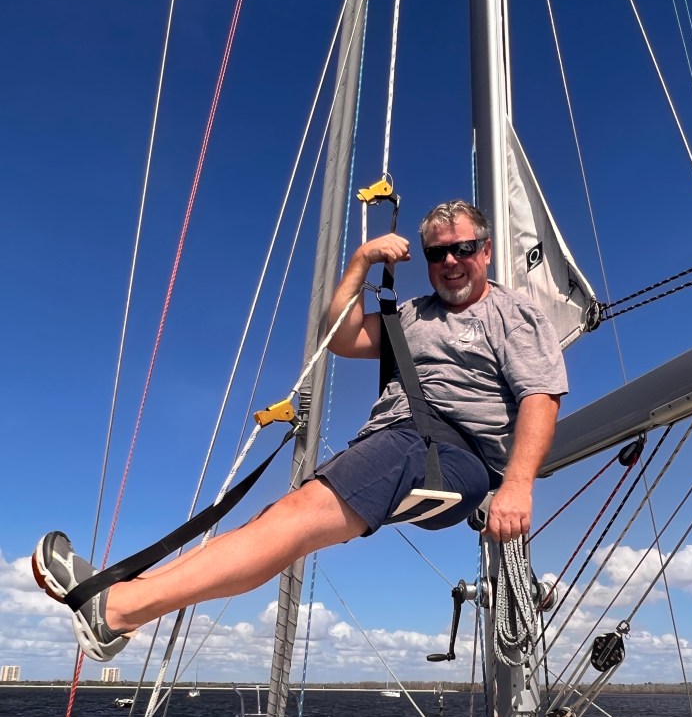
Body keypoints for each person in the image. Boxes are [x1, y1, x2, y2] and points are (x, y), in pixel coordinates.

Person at [32, 199, 568, 662]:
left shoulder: (512, 314)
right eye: (437, 253)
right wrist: (360, 262)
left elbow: (540, 397)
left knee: (293, 518)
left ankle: (119, 609)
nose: (450, 261)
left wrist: (518, 485)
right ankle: (121, 601)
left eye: (463, 249)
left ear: (486, 251)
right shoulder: (412, 315)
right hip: (395, 441)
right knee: (279, 522)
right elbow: (342, 337)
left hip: (443, 453)